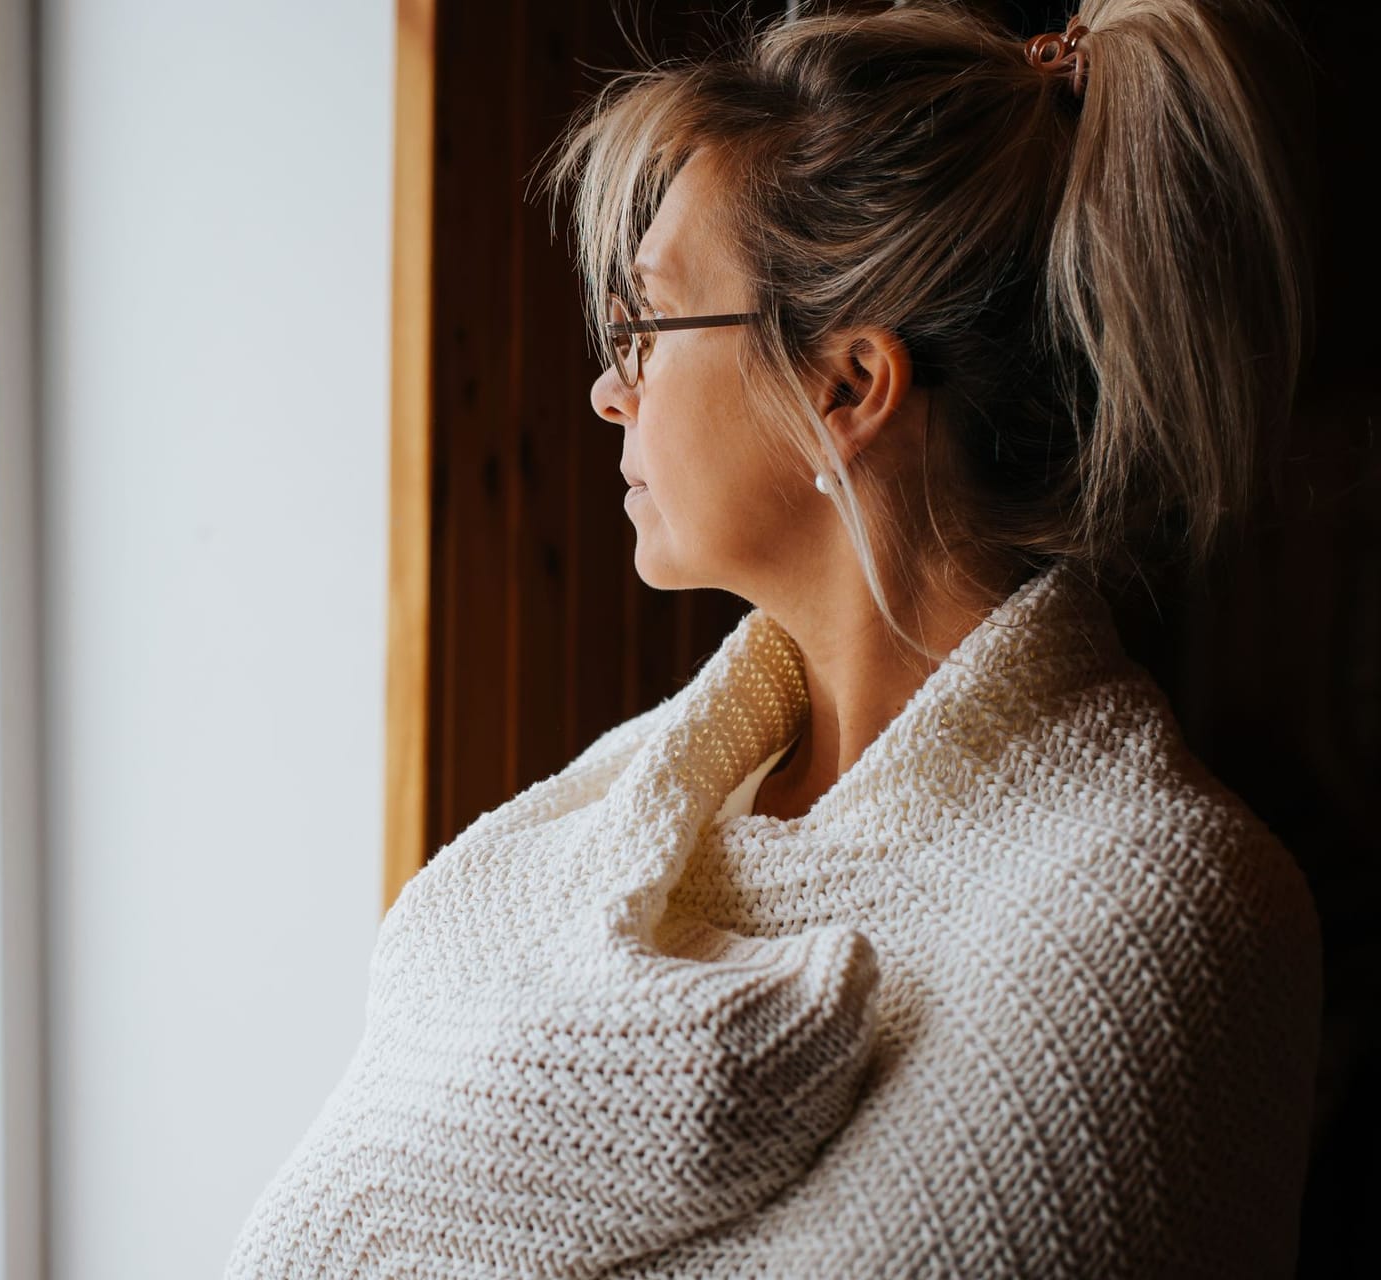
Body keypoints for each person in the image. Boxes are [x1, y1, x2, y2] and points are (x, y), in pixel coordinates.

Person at [226, 1, 1322, 1275]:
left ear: (846, 386)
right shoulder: (625, 803)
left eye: (650, 324)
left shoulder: (1160, 910)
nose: (607, 385)